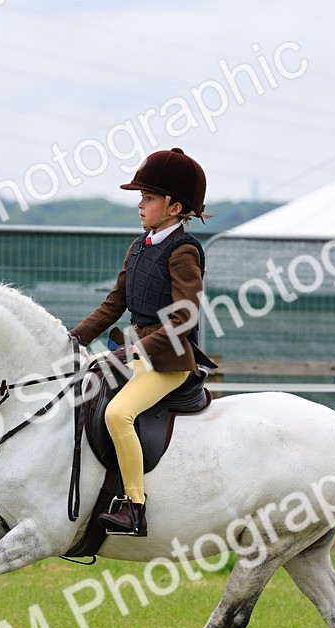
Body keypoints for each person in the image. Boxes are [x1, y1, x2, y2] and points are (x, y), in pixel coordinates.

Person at [68, 148, 214, 537]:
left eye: (148, 198)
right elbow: (114, 303)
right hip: (134, 352)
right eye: (141, 197)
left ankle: (134, 508)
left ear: (174, 206)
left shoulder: (183, 251)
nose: (140, 204)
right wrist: (72, 337)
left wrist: (140, 349)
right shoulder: (139, 246)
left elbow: (185, 316)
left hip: (169, 361)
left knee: (119, 414)